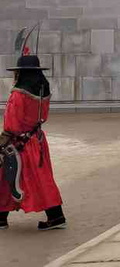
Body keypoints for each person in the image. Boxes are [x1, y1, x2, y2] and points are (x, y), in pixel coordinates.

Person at [0, 55, 66, 231]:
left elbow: (11, 123)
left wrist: (3, 139)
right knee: (17, 178)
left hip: (19, 143)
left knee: (10, 175)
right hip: (37, 140)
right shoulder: (43, 92)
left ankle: (56, 216)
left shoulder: (18, 94)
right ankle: (55, 216)